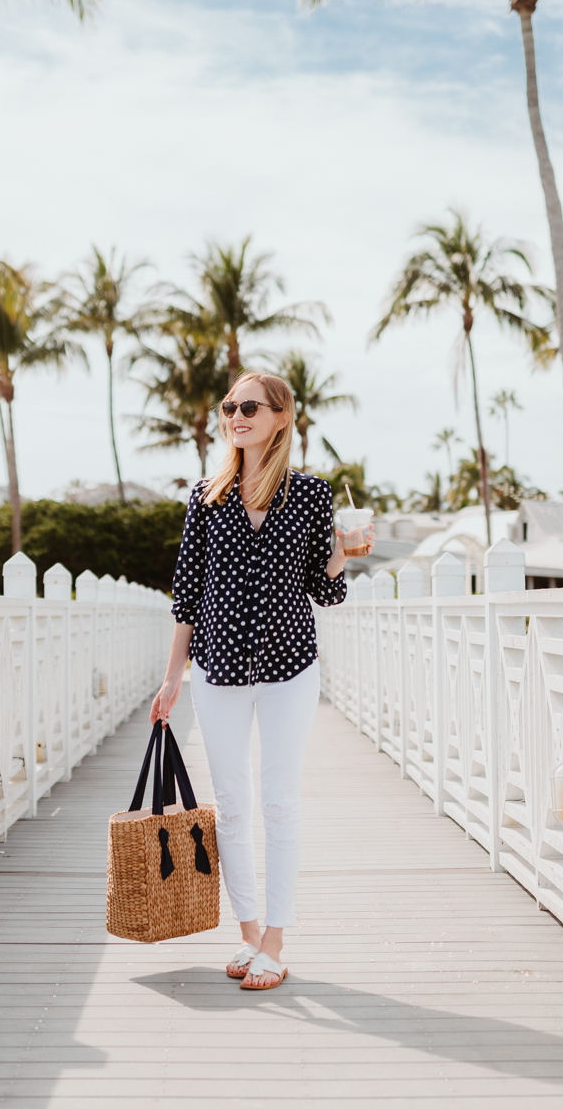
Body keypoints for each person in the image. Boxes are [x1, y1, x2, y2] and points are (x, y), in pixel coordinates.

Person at [149, 369, 373, 991]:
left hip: (288, 669)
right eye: (228, 407)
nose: (236, 415)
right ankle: (248, 936)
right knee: (232, 808)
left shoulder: (310, 493)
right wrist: (171, 680)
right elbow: (186, 595)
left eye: (249, 406)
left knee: (277, 800)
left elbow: (323, 592)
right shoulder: (205, 496)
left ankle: (276, 940)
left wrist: (344, 554)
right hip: (216, 670)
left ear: (280, 416)